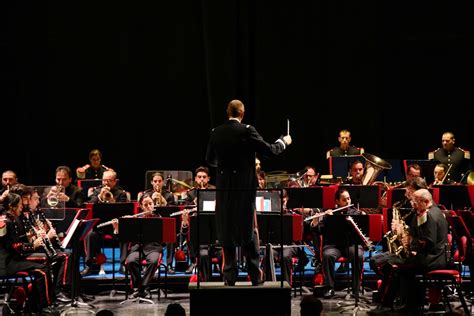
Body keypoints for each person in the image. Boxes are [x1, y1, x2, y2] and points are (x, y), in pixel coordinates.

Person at [206, 99, 292, 286]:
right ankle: (255, 276)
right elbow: (269, 151)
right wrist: (283, 142)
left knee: (227, 228)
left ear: (227, 112)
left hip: (224, 189)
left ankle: (229, 277)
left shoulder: (216, 132)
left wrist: (226, 166)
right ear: (242, 113)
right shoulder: (247, 130)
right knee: (248, 229)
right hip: (244, 188)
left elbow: (210, 160)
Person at [368, 189, 448, 314]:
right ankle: (410, 304)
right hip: (432, 256)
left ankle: (386, 305)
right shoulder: (433, 211)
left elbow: (428, 242)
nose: (412, 204)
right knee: (394, 264)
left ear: (426, 202)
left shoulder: (430, 216)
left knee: (393, 266)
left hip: (432, 259)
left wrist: (411, 243)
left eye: (415, 202)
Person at [13, 185, 73, 303]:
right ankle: (55, 292)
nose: (38, 202)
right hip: (23, 255)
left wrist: (45, 235)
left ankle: (60, 291)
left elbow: (31, 236)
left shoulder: (30, 214)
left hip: (32, 249)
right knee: (63, 256)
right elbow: (22, 241)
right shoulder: (17, 218)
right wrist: (41, 238)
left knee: (66, 254)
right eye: (34, 199)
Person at [0, 193, 57, 314]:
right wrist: (33, 245)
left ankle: (34, 304)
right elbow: (12, 246)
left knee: (43, 264)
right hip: (7, 263)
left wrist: (31, 236)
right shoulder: (6, 222)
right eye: (20, 205)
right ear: (11, 206)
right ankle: (45, 306)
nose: (22, 207)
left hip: (14, 258)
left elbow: (18, 240)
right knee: (42, 272)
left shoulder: (12, 219)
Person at [115, 193, 163, 299]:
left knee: (153, 261)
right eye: (145, 205)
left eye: (150, 204)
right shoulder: (135, 219)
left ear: (154, 204)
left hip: (154, 248)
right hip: (138, 249)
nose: (148, 207)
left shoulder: (159, 218)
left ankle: (143, 288)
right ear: (141, 206)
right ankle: (139, 287)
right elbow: (124, 238)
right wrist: (120, 227)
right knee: (131, 261)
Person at [81, 169, 129, 276]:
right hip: (100, 226)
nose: (106, 183)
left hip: (115, 226)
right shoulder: (97, 191)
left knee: (126, 234)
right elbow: (90, 204)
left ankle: (123, 264)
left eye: (109, 180)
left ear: (115, 181)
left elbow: (123, 211)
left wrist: (112, 202)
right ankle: (89, 266)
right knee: (89, 235)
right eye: (104, 180)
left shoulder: (121, 193)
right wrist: (99, 197)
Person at [321, 188, 366, 299]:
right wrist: (324, 218)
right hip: (334, 245)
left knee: (358, 255)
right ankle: (329, 287)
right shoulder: (330, 213)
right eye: (344, 200)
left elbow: (364, 231)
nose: (348, 202)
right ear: (337, 201)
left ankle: (356, 288)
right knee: (327, 255)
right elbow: (320, 230)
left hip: (351, 244)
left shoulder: (356, 213)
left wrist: (363, 217)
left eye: (349, 199)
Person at [182, 166, 220, 278]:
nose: (202, 179)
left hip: (213, 227)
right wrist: (195, 203)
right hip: (198, 228)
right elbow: (186, 209)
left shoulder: (215, 191)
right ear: (196, 179)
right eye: (199, 177)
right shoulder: (190, 194)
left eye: (204, 177)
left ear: (208, 178)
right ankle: (194, 261)